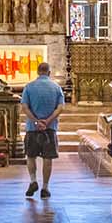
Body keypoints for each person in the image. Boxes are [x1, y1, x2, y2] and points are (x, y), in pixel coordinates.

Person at [20, 61, 66, 198]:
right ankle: (45, 187)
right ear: (49, 72)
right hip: (50, 128)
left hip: (32, 128)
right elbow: (60, 108)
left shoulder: (29, 87)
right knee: (48, 157)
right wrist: (48, 120)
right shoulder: (56, 87)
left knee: (31, 155)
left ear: (37, 72)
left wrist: (35, 121)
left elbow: (25, 107)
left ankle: (33, 180)